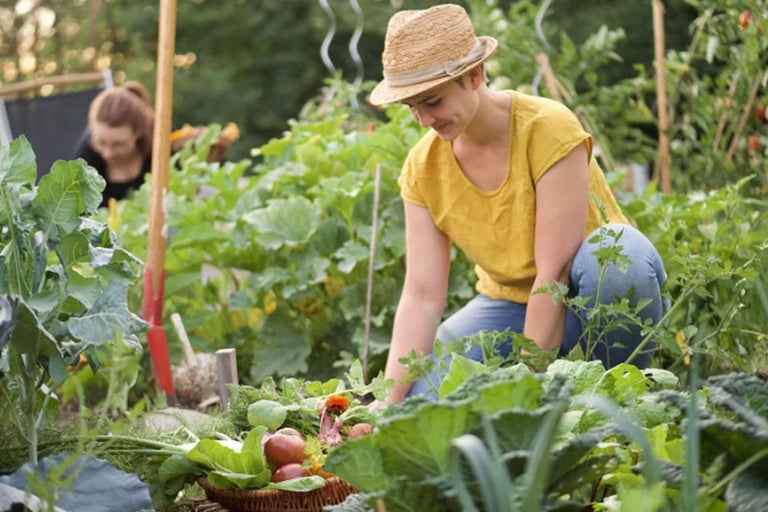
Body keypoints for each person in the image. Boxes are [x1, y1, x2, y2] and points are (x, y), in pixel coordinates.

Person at [368, 4, 667, 404]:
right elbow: (421, 295)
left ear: (474, 75)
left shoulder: (547, 128)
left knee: (619, 256)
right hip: (507, 305)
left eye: (433, 102)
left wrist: (528, 392)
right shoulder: (423, 168)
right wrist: (389, 406)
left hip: (590, 295)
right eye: (412, 107)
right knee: (428, 392)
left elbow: (555, 272)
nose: (422, 119)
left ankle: (614, 404)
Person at [72, 80, 154, 207]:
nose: (107, 154)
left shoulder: (158, 153)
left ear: (138, 133)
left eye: (118, 144)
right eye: (101, 142)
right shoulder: (85, 160)